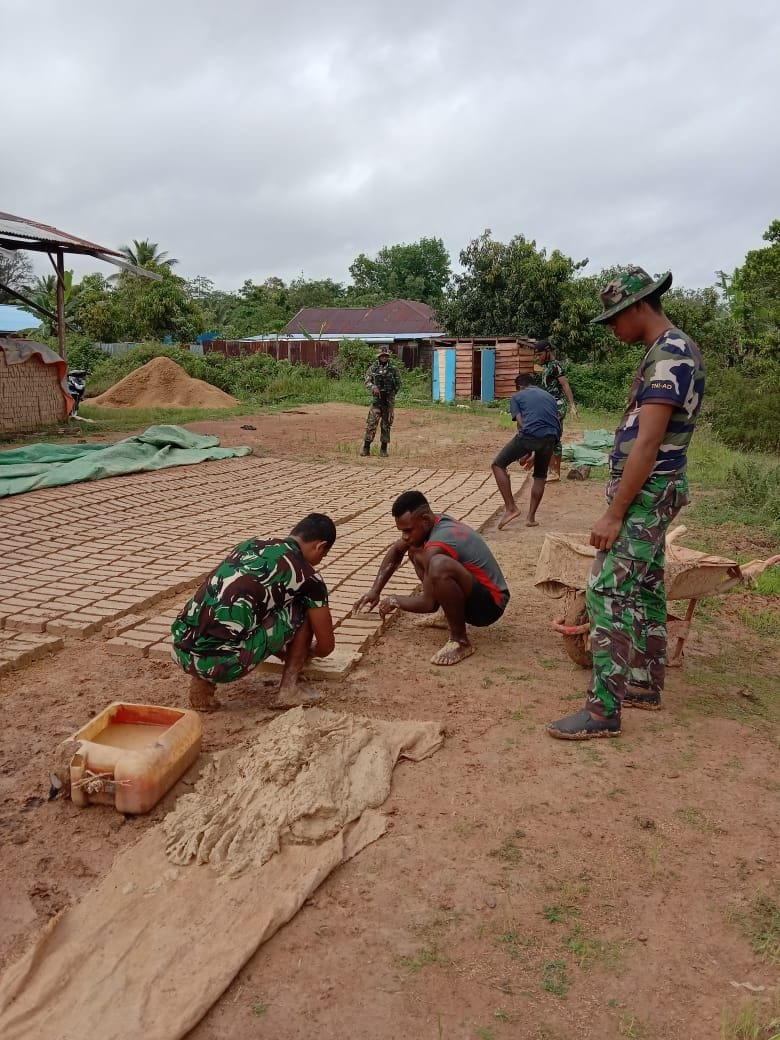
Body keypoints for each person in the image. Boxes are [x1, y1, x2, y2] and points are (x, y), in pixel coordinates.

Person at [548, 266, 705, 740]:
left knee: (608, 590)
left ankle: (603, 711)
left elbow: (649, 443)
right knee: (646, 584)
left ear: (640, 306)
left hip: (646, 493)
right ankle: (643, 681)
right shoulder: (668, 349)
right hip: (657, 491)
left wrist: (615, 512)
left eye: (616, 317)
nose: (613, 328)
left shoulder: (670, 355)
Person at [171, 513, 336, 712]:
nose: (320, 560)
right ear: (320, 546)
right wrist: (307, 652)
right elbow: (326, 646)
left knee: (236, 610)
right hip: (225, 664)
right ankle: (288, 690)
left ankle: (201, 686)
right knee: (303, 606)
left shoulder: (249, 545)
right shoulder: (308, 578)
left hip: (181, 652)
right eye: (323, 555)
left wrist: (285, 651)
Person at [353, 490, 509, 665]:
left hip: (490, 605)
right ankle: (448, 615)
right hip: (475, 592)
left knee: (438, 565)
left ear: (425, 520)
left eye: (408, 530)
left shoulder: (438, 543)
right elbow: (396, 550)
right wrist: (375, 590)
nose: (404, 535)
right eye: (401, 530)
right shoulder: (433, 522)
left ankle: (460, 641)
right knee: (414, 548)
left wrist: (395, 600)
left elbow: (429, 604)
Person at [491, 373, 562, 529]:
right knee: (540, 476)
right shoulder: (549, 396)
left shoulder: (517, 397)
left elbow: (522, 423)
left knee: (498, 465)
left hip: (530, 435)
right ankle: (530, 518)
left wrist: (527, 449)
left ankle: (511, 508)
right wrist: (534, 451)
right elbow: (552, 420)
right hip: (551, 438)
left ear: (520, 387)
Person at [533, 339, 578, 480]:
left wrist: (572, 406)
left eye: (540, 354)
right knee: (547, 436)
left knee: (553, 437)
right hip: (548, 406)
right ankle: (550, 470)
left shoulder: (556, 366)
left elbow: (565, 384)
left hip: (557, 406)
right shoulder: (547, 366)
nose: (538, 357)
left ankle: (555, 472)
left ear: (547, 352)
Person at [361, 347, 402, 457]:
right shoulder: (373, 368)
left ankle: (383, 449)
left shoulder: (393, 369)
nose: (383, 357)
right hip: (376, 400)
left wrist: (390, 394)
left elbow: (398, 384)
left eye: (385, 356)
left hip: (388, 401)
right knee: (371, 423)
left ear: (387, 357)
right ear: (379, 357)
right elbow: (367, 381)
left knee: (386, 425)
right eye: (382, 356)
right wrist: (373, 387)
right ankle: (366, 447)